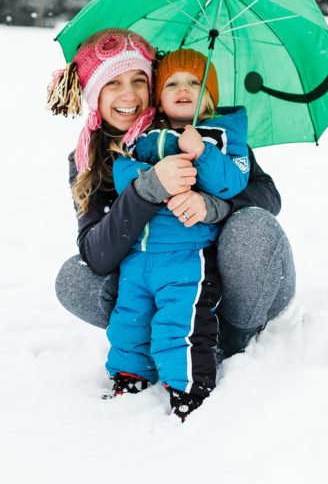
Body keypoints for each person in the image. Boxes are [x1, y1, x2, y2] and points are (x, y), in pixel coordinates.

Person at [48, 29, 295, 384]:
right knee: (74, 277)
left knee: (253, 225)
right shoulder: (89, 157)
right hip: (162, 279)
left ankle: (233, 335)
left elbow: (267, 196)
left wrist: (213, 205)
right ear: (93, 94)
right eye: (113, 83)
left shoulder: (200, 130)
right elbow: (97, 253)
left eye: (138, 80)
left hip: (242, 282)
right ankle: (162, 329)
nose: (129, 94)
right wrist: (146, 190)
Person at [105, 48, 249, 419]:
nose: (183, 89)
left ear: (211, 96)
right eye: (172, 83)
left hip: (187, 252)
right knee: (129, 318)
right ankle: (129, 375)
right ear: (158, 95)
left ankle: (188, 387)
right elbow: (123, 172)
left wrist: (201, 152)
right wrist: (151, 179)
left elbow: (231, 184)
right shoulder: (145, 135)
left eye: (195, 82)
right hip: (139, 253)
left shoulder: (223, 136)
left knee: (180, 321)